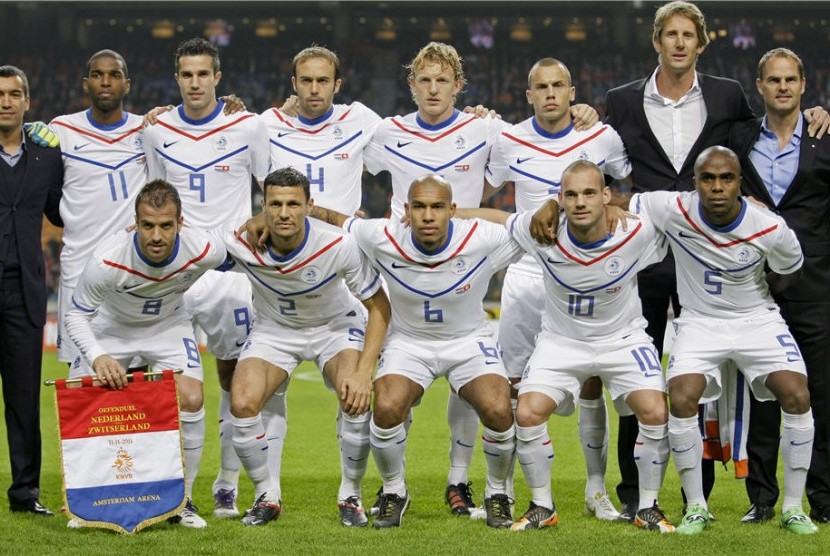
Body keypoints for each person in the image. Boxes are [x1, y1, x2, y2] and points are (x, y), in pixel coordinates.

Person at [604, 0, 827, 519]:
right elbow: (602, 158)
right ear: (656, 41)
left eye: (689, 35)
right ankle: (639, 493)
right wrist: (585, 114)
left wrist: (816, 111)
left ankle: (695, 497)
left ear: (701, 43)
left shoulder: (727, 95)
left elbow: (765, 133)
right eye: (670, 34)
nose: (680, 43)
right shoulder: (619, 100)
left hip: (712, 259)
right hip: (650, 258)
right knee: (640, 377)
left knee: (701, 389)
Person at [362, 41, 598, 517]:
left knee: (474, 386)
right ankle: (392, 487)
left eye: (442, 80)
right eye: (424, 80)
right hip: (406, 265)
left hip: (468, 261)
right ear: (411, 85)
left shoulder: (488, 128)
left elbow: (543, 134)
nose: (433, 89)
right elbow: (335, 143)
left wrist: (581, 113)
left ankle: (460, 480)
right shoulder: (386, 131)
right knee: (393, 403)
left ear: (459, 86)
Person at [308, 174, 522, 529]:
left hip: (468, 340)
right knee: (387, 406)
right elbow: (337, 220)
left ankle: (498, 492)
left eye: (438, 207)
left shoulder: (480, 237)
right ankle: (394, 491)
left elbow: (526, 227)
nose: (427, 216)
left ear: (452, 210)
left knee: (499, 409)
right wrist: (278, 214)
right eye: (419, 207)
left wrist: (469, 213)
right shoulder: (383, 235)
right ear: (405, 210)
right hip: (409, 341)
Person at [474, 160, 673, 532]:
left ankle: (648, 507)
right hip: (561, 341)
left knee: (656, 412)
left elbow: (684, 218)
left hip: (623, 340)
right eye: (571, 194)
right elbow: (495, 218)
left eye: (589, 193)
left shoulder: (637, 233)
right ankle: (541, 506)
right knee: (528, 412)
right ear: (560, 199)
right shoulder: (543, 232)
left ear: (606, 196)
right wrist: (451, 211)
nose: (580, 202)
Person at [629, 146, 817, 535]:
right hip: (699, 322)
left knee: (797, 394)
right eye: (708, 179)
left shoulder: (769, 226)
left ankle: (794, 508)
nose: (717, 187)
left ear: (739, 183)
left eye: (726, 178)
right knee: (681, 397)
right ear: (695, 183)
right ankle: (696, 507)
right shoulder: (673, 208)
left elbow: (792, 269)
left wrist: (760, 290)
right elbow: (619, 202)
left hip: (757, 320)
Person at [484, 57, 630, 521]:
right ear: (527, 95)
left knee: (590, 380)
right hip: (528, 273)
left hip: (583, 275)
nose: (549, 94)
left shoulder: (601, 136)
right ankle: (501, 489)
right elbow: (479, 179)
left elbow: (630, 182)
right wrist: (477, 120)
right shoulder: (507, 139)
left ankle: (595, 489)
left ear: (572, 92)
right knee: (509, 385)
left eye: (558, 86)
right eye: (540, 87)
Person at [143, 37, 270, 520]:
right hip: (177, 277)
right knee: (181, 388)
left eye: (203, 74)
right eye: (186, 74)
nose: (195, 82)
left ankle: (226, 485)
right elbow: (155, 199)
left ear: (218, 77)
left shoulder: (247, 125)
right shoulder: (157, 131)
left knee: (234, 386)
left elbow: (268, 189)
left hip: (232, 275)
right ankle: (181, 492)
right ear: (176, 79)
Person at [227, 167, 390, 527]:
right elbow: (190, 247)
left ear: (309, 205)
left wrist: (365, 371)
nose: (284, 213)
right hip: (275, 330)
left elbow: (380, 307)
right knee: (242, 402)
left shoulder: (338, 244)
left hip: (334, 326)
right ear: (263, 207)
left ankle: (350, 494)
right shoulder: (240, 242)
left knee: (354, 395)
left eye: (293, 204)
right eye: (275, 204)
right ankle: (265, 496)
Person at [64, 180, 227, 528]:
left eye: (166, 226)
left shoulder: (205, 249)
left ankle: (183, 500)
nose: (156, 236)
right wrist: (97, 356)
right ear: (135, 223)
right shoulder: (107, 259)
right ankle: (89, 503)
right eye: (147, 225)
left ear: (180, 223)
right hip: (112, 331)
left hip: (168, 326)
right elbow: (75, 314)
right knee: (85, 404)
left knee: (193, 398)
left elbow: (241, 248)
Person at [729, 48, 830, 526]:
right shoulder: (739, 137)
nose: (783, 87)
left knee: (822, 394)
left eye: (791, 79)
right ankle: (763, 499)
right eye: (774, 80)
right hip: (757, 285)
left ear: (804, 85)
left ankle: (823, 499)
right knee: (763, 394)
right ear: (760, 86)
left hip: (816, 284)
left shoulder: (825, 136)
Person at [0, 64, 63, 517]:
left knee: (24, 400)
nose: (5, 101)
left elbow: (62, 212)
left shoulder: (45, 156)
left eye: (13, 94)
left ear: (27, 102)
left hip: (23, 292)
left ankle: (25, 494)